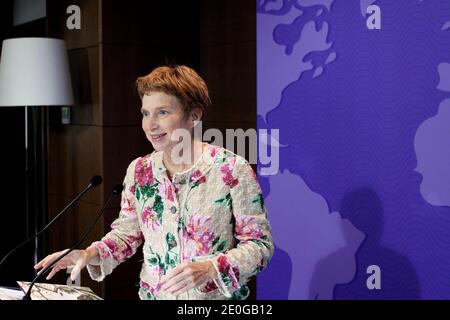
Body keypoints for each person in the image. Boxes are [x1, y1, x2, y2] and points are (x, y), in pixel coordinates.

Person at [34, 65, 274, 300]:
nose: (150, 125)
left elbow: (260, 247)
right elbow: (126, 235)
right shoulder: (140, 170)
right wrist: (89, 253)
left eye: (163, 112)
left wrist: (211, 269)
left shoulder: (231, 169)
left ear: (194, 116)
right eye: (145, 113)